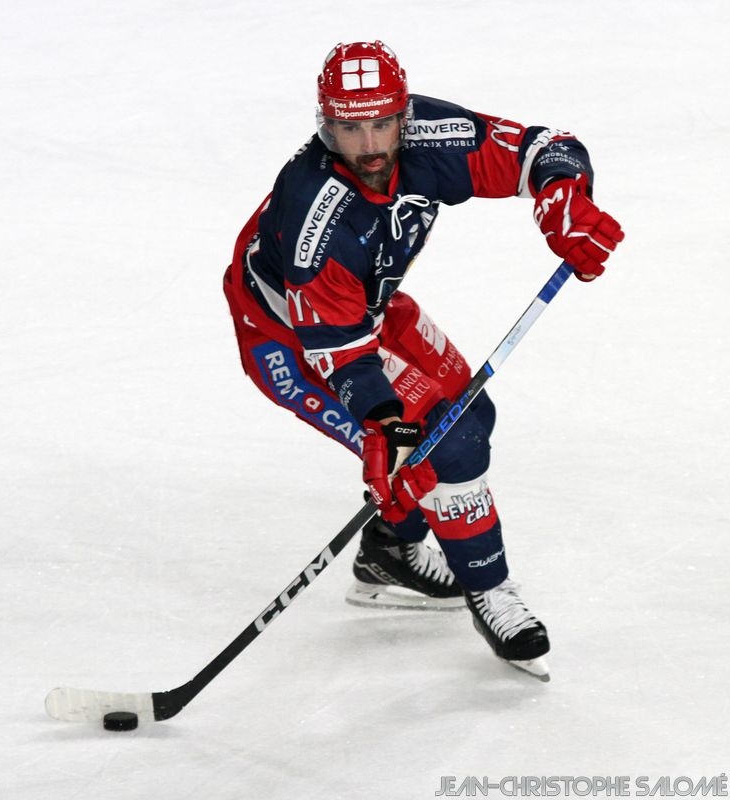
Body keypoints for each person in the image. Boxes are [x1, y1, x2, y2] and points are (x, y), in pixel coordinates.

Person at [222, 41, 623, 678]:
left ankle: (392, 550)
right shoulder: (314, 217)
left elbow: (545, 147)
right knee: (444, 440)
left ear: (403, 114)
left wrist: (563, 200)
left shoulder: (429, 136)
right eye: (351, 128)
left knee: (469, 413)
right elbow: (345, 358)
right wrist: (385, 426)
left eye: (382, 122)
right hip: (294, 345)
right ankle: (489, 588)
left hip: (367, 310)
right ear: (326, 125)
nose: (371, 143)